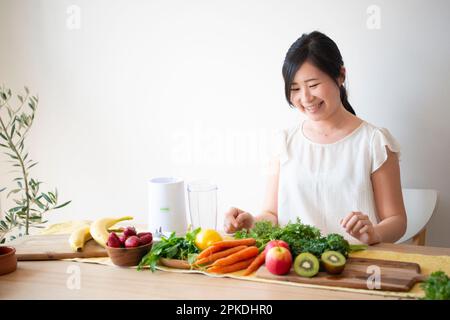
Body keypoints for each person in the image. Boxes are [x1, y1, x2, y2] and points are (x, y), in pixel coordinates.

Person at [223, 31, 407, 245]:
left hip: (359, 268)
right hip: (295, 267)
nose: (306, 98)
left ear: (341, 75)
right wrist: (252, 223)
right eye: (295, 89)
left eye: (313, 85)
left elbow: (397, 220)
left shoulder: (374, 142)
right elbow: (271, 214)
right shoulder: (283, 142)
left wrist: (375, 234)